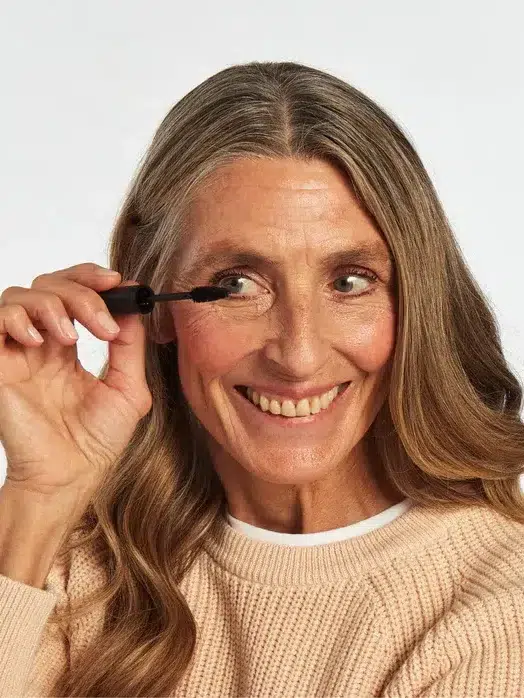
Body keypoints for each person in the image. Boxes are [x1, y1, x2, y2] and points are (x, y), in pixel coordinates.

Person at [0, 60, 523, 697]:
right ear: (148, 284)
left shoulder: (496, 613)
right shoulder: (58, 566)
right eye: (236, 285)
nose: (297, 354)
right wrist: (38, 498)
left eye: (349, 281)